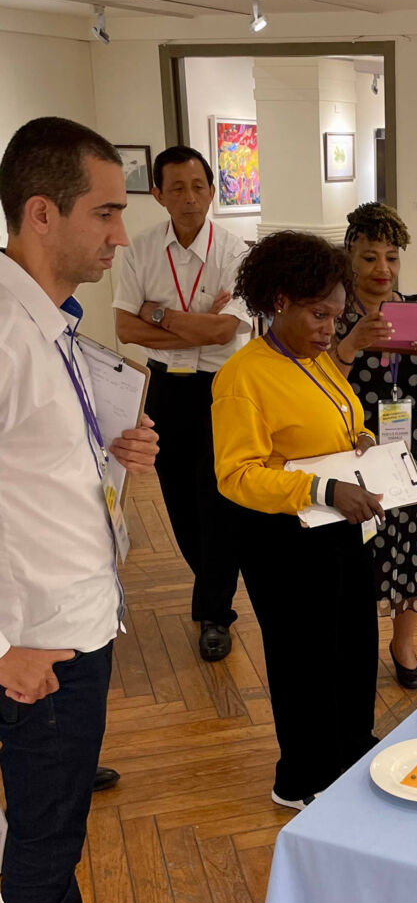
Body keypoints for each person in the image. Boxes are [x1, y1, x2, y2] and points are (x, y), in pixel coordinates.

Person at [0, 116, 159, 903]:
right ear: (41, 214)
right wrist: (3, 648)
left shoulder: (49, 320)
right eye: (104, 212)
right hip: (40, 644)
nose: (120, 235)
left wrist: (111, 449)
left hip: (77, 618)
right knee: (43, 840)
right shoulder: (3, 333)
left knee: (54, 827)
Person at [212, 231, 385, 809]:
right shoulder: (243, 376)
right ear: (280, 300)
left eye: (336, 317)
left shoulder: (317, 362)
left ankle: (352, 751)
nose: (329, 329)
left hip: (339, 526)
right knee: (304, 659)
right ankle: (305, 778)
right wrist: (321, 485)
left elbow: (335, 421)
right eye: (319, 314)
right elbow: (236, 474)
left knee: (355, 647)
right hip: (284, 537)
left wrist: (354, 439)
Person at [113, 145, 252, 661]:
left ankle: (215, 612)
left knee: (218, 500)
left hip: (221, 389)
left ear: (212, 191)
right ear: (157, 194)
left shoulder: (236, 252)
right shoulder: (141, 248)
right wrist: (191, 324)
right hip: (163, 388)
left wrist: (158, 314)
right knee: (178, 503)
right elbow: (124, 327)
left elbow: (225, 333)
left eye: (199, 187)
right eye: (177, 188)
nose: (190, 198)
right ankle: (213, 586)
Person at [331, 202, 417, 689]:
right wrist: (349, 346)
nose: (381, 269)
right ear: (350, 256)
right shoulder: (332, 314)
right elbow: (316, 383)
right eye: (369, 258)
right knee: (363, 549)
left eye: (391, 257)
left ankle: (403, 643)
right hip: (357, 450)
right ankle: (357, 643)